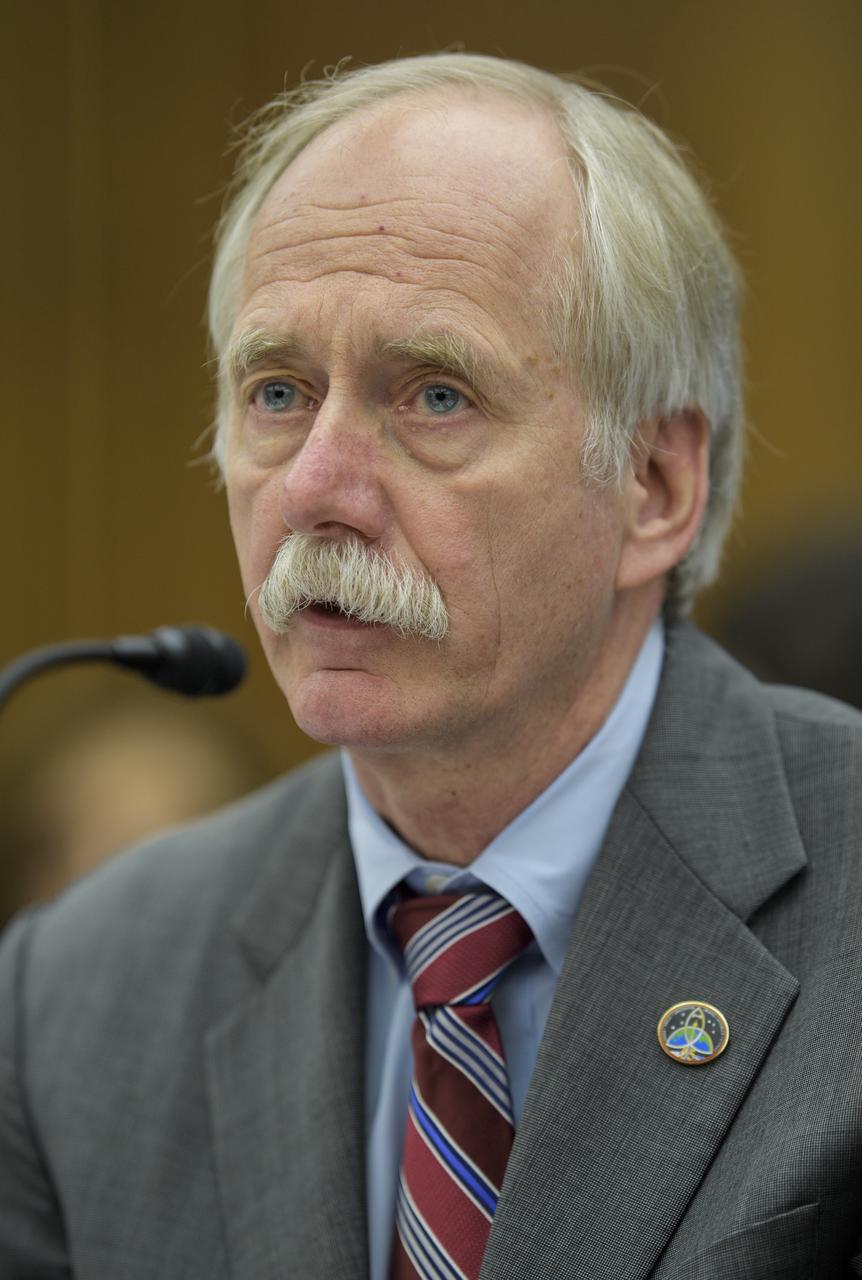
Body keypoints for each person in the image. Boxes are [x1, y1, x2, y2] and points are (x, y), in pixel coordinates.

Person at [1, 53, 860, 1280]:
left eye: (436, 395)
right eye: (279, 390)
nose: (314, 489)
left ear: (655, 484)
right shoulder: (78, 996)